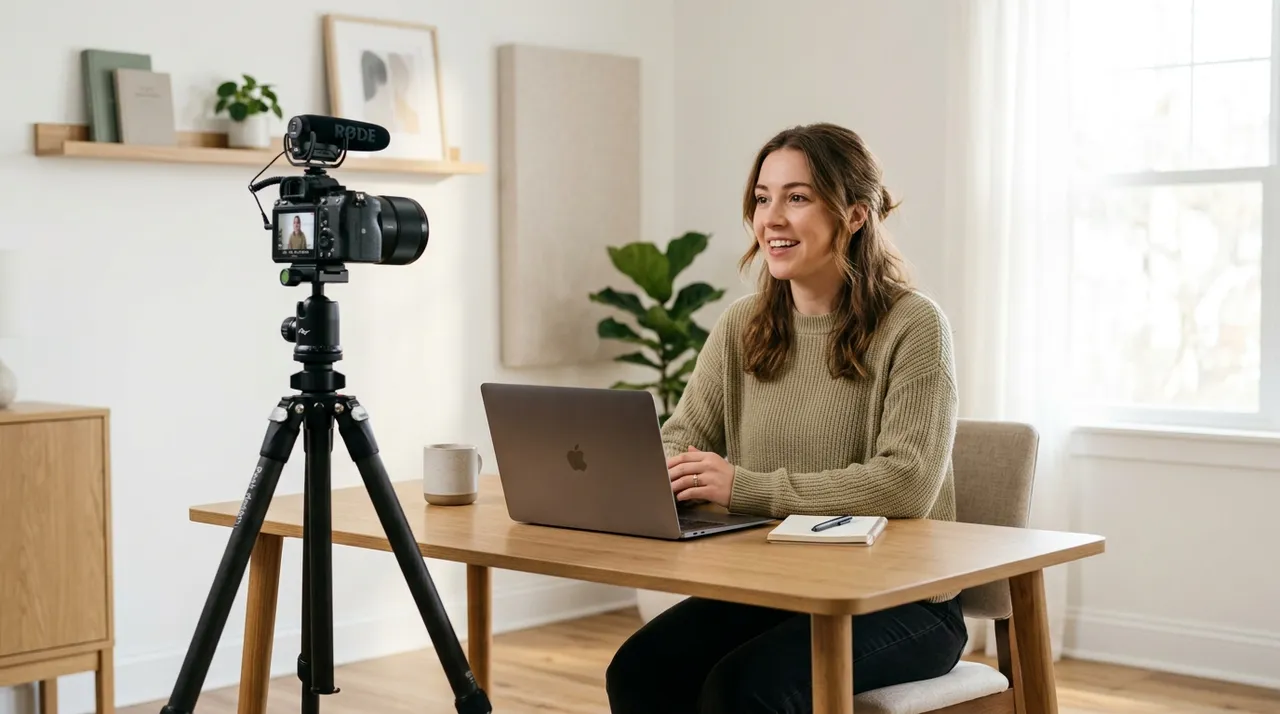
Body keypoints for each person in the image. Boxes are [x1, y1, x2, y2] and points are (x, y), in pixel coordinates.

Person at [604, 123, 968, 714]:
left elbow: (907, 484)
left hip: (904, 604)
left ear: (854, 214)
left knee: (746, 690)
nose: (771, 217)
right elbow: (681, 438)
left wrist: (742, 487)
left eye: (797, 197)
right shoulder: (741, 325)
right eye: (763, 197)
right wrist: (675, 472)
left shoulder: (915, 325)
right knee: (641, 670)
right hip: (774, 587)